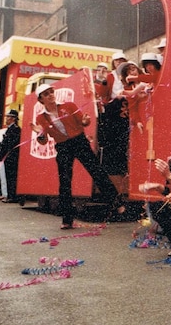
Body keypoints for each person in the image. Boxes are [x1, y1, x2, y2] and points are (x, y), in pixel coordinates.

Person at [31, 84, 123, 229]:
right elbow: (43, 141)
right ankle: (67, 219)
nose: (50, 95)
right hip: (63, 146)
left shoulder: (68, 106)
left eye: (51, 92)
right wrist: (39, 134)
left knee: (96, 171)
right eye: (46, 94)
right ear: (41, 99)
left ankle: (117, 204)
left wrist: (86, 121)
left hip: (79, 141)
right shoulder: (41, 117)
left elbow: (83, 121)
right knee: (65, 181)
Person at [0, 109, 21, 203]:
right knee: (4, 176)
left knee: (11, 177)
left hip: (11, 157)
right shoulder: (9, 129)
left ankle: (11, 196)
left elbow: (12, 144)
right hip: (5, 156)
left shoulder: (16, 129)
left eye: (8, 117)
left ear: (13, 118)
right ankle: (5, 194)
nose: (6, 119)